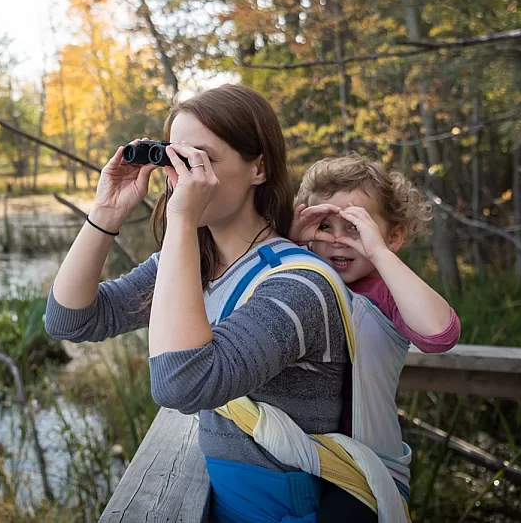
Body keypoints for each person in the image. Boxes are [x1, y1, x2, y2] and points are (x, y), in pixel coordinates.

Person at [44, 85, 352, 523]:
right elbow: (70, 320)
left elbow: (181, 385)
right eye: (174, 158)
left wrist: (182, 219)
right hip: (226, 501)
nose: (181, 176)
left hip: (286, 509)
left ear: (259, 168)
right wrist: (106, 212)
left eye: (199, 159)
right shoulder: (196, 264)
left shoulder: (299, 286)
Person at [291, 154, 461, 520]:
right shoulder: (298, 276)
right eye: (324, 225)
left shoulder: (384, 292)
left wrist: (379, 252)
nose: (338, 240)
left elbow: (440, 335)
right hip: (297, 456)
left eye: (355, 227)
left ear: (394, 234)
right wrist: (288, 243)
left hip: (365, 470)